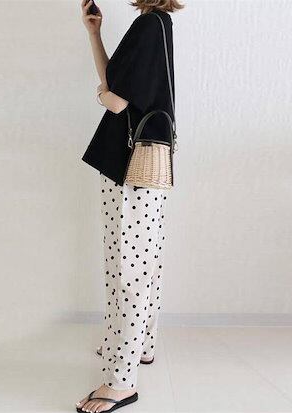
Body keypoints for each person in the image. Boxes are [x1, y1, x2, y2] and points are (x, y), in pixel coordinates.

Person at [77, 1, 183, 412]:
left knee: (126, 269)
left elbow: (116, 100)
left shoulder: (148, 26)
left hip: (128, 167)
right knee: (144, 262)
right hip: (148, 166)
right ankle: (140, 345)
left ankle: (120, 382)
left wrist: (101, 95)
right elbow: (118, 85)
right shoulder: (159, 25)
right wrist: (95, 33)